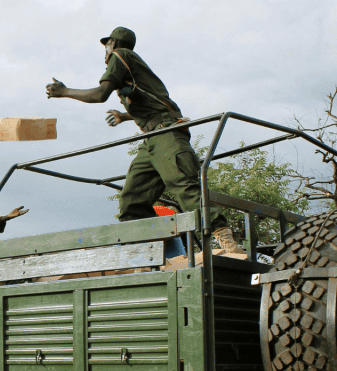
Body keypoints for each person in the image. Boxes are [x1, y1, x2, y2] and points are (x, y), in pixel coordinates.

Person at [44, 26, 242, 254]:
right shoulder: (131, 68)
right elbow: (151, 101)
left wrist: (65, 91)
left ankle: (227, 241)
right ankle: (159, 252)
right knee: (131, 202)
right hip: (152, 139)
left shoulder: (121, 56)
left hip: (166, 134)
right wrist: (126, 116)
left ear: (113, 44)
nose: (105, 50)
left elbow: (100, 95)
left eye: (107, 44)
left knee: (183, 186)